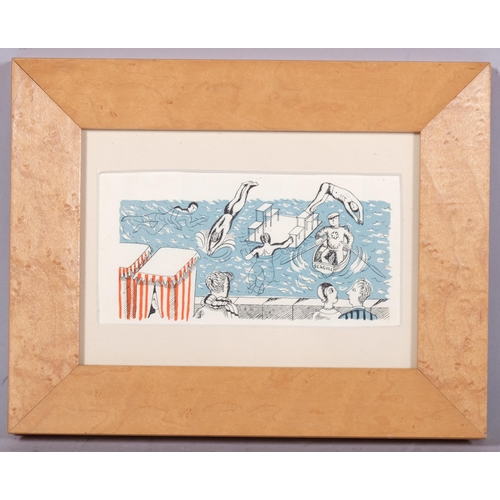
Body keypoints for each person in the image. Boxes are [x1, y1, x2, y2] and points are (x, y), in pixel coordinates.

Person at [206, 181, 258, 255]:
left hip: (227, 211)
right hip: (233, 213)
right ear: (218, 237)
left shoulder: (215, 228)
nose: (214, 236)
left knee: (237, 198)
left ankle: (245, 185)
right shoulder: (224, 230)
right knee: (241, 200)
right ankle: (246, 186)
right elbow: (220, 241)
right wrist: (213, 249)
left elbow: (209, 238)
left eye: (212, 237)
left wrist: (209, 248)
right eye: (215, 238)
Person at [122, 202, 206, 233]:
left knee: (152, 232)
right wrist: (177, 225)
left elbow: (189, 225)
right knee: (141, 219)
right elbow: (172, 218)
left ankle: (140, 226)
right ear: (189, 206)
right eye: (193, 207)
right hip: (158, 216)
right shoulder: (178, 209)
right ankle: (127, 218)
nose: (193, 210)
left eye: (195, 209)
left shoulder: (187, 217)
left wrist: (201, 220)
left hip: (163, 222)